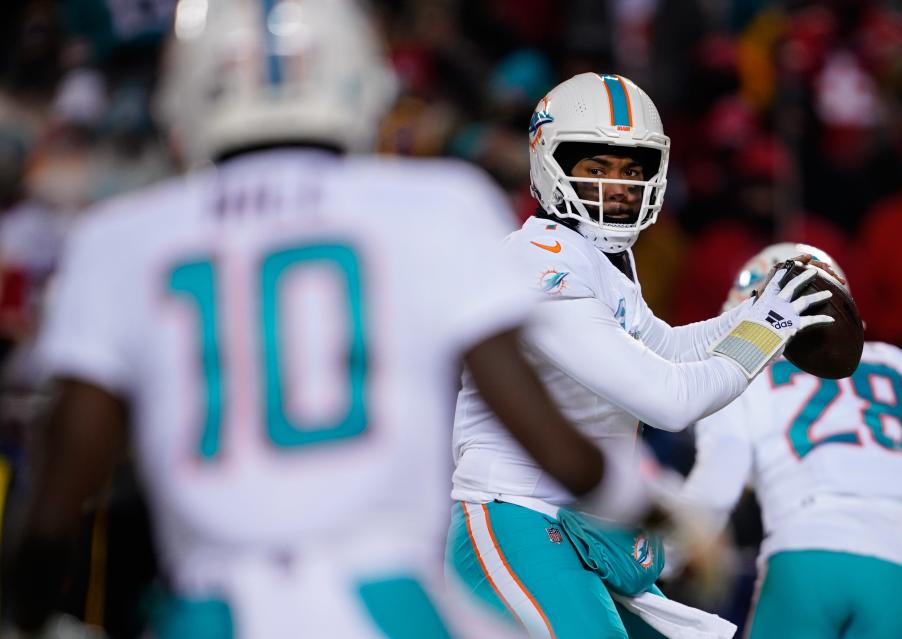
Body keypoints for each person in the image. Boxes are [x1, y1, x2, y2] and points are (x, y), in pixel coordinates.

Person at [8, 4, 658, 638]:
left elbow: (63, 487)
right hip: (391, 601)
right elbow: (532, 420)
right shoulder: (439, 203)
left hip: (211, 607)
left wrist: (28, 611)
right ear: (361, 80)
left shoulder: (120, 237)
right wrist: (648, 505)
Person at [446, 73, 836, 639]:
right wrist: (768, 330)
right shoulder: (538, 260)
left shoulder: (596, 262)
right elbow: (669, 400)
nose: (618, 186)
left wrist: (757, 313)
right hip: (515, 517)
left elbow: (666, 347)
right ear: (548, 162)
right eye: (597, 167)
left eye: (632, 170)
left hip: (578, 527)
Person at [681, 242, 902, 639]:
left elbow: (718, 482)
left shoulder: (744, 373)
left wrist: (662, 547)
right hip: (901, 567)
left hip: (807, 549)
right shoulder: (892, 367)